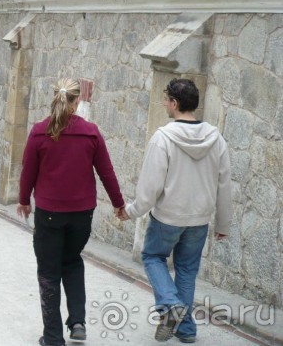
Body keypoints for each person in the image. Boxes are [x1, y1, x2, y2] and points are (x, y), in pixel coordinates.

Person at [119, 78, 232, 344]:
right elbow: (224, 184)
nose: (164, 103)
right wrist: (223, 224)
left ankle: (170, 307)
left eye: (166, 99)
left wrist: (131, 211)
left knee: (152, 257)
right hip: (199, 220)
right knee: (186, 271)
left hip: (167, 217)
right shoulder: (217, 140)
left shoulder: (163, 138)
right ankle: (186, 330)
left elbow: (150, 187)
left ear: (175, 103)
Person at [17, 78, 124, 346]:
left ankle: (53, 337)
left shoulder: (40, 131)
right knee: (73, 261)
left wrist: (23, 200)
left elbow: (28, 170)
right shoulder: (90, 132)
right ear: (77, 102)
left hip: (50, 212)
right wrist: (118, 203)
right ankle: (77, 322)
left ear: (55, 98)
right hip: (82, 213)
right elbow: (106, 172)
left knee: (49, 271)